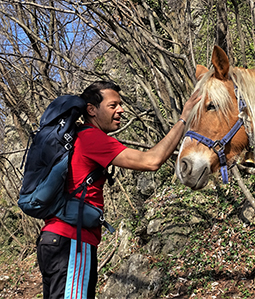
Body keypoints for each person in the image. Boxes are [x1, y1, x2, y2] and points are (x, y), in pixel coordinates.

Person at [36, 81, 200, 299]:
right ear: (92, 110)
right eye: (113, 105)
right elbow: (152, 161)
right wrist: (183, 118)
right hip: (71, 243)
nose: (121, 110)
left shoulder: (75, 138)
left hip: (55, 241)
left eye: (120, 105)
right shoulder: (90, 139)